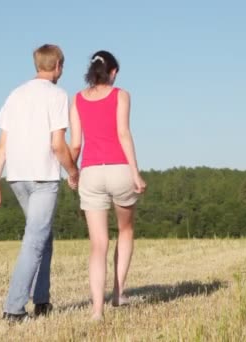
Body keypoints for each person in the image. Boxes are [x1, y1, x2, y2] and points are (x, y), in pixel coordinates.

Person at [0, 44, 79, 322]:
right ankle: (13, 309)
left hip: (16, 176)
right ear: (58, 65)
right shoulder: (58, 95)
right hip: (42, 176)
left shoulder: (15, 95)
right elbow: (58, 145)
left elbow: (3, 144)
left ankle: (42, 301)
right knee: (34, 241)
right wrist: (73, 171)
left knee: (42, 235)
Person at [69, 50, 147, 321]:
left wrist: (72, 171)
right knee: (125, 230)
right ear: (113, 72)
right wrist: (136, 173)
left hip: (90, 172)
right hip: (119, 170)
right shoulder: (121, 95)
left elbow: (76, 144)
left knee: (97, 244)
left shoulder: (77, 99)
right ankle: (117, 293)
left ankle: (96, 311)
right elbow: (124, 133)